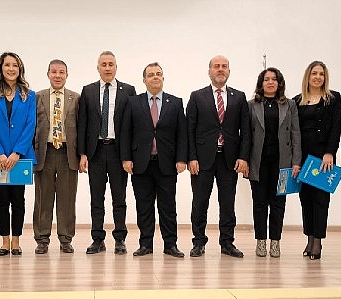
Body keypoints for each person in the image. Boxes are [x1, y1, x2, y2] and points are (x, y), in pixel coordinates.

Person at [121, 62, 187, 258]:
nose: (155, 77)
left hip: (166, 163)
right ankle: (145, 244)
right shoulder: (133, 102)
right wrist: (126, 158)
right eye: (151, 75)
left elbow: (181, 133)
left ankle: (170, 244)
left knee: (168, 207)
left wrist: (181, 159)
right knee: (144, 206)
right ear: (144, 80)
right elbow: (126, 132)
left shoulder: (175, 103)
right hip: (141, 163)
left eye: (158, 74)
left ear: (163, 78)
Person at [187, 55, 250, 258]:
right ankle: (198, 242)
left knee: (227, 203)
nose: (220, 69)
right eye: (216, 66)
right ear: (209, 71)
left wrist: (243, 157)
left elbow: (246, 131)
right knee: (200, 203)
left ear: (229, 71)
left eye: (224, 67)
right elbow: (190, 130)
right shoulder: (197, 96)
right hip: (203, 160)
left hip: (229, 159)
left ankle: (227, 243)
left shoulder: (239, 97)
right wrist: (191, 157)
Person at [77, 51, 136, 255]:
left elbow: (132, 126)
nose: (108, 68)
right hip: (96, 152)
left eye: (111, 64)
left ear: (116, 67)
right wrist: (83, 154)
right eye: (104, 64)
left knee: (119, 198)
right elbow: (83, 124)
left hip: (119, 152)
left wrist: (130, 155)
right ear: (98, 68)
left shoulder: (129, 90)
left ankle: (120, 239)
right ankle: (97, 239)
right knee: (96, 198)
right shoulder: (88, 91)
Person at [0, 52, 36, 256]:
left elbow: (31, 125)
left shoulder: (28, 95)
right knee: (1, 199)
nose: (11, 69)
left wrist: (17, 153)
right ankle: (5, 241)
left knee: (19, 200)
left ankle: (17, 241)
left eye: (15, 65)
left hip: (19, 158)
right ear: (1, 68)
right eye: (7, 65)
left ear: (20, 69)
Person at [248, 67, 301, 258]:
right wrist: (244, 161)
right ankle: (261, 241)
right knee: (259, 203)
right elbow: (246, 136)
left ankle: (275, 242)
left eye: (274, 79)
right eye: (266, 79)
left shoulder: (290, 105)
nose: (270, 82)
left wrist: (296, 161)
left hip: (283, 163)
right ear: (261, 84)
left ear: (279, 83)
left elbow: (296, 134)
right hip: (258, 162)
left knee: (279, 203)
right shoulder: (251, 105)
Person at [293, 61, 341, 260]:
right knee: (306, 200)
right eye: (314, 73)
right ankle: (309, 237)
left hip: (323, 158)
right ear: (308, 76)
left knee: (321, 201)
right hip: (303, 157)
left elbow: (336, 128)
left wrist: (329, 152)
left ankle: (318, 242)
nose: (318, 77)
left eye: (321, 74)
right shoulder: (297, 101)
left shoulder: (333, 98)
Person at [34, 59, 80, 254]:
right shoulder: (37, 97)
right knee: (43, 198)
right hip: (44, 152)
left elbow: (81, 127)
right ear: (48, 74)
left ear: (67, 75)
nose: (58, 75)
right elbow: (31, 126)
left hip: (67, 153)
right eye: (54, 72)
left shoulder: (76, 98)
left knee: (67, 198)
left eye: (62, 72)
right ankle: (42, 239)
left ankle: (65, 238)